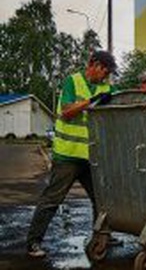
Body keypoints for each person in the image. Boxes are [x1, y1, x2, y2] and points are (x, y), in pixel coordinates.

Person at [27, 50, 116, 258]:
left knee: (101, 199)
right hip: (68, 156)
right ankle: (33, 242)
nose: (105, 77)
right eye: (104, 71)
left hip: (91, 156)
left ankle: (102, 236)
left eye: (108, 73)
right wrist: (91, 101)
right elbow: (66, 112)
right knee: (51, 200)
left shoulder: (107, 87)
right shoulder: (72, 81)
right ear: (93, 64)